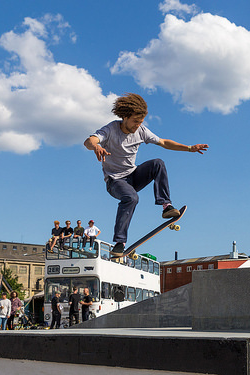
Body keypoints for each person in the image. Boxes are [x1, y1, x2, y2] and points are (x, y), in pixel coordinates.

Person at [84, 93, 208, 255]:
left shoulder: (141, 131)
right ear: (125, 117)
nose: (137, 126)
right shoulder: (111, 129)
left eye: (140, 122)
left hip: (133, 176)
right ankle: (120, 242)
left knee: (158, 163)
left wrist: (189, 148)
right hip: (115, 182)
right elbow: (90, 141)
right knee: (132, 198)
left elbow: (163, 142)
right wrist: (96, 147)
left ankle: (166, 206)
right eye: (135, 121)